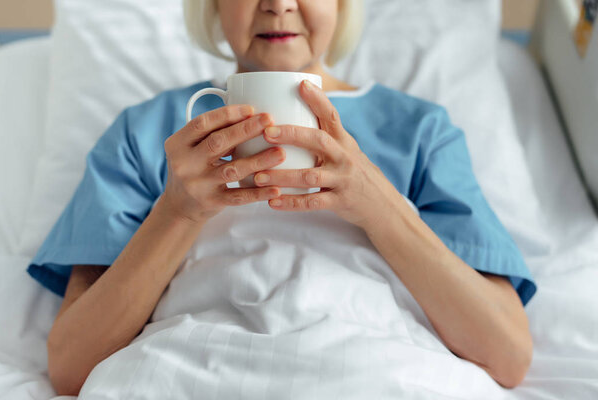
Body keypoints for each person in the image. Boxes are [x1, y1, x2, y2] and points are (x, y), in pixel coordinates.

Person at [26, 0, 537, 396]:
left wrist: (373, 200)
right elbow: (72, 366)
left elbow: (508, 353)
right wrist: (179, 210)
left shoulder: (421, 132)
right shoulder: (146, 134)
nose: (278, 2)